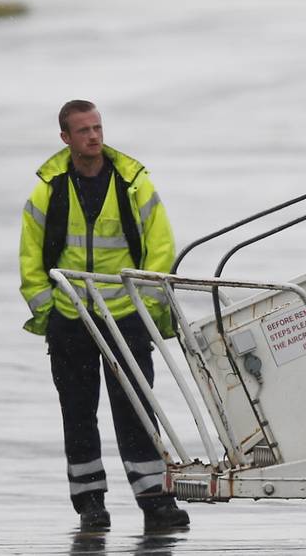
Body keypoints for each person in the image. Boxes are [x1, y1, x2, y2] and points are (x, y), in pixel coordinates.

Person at [19, 100, 189, 531]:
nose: (93, 136)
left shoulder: (133, 182)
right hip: (71, 318)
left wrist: (146, 307)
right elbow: (30, 258)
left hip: (125, 316)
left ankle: (155, 499)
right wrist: (49, 312)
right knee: (77, 413)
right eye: (83, 130)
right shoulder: (49, 188)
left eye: (97, 128)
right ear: (65, 138)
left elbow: (160, 248)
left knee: (136, 409)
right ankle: (90, 502)